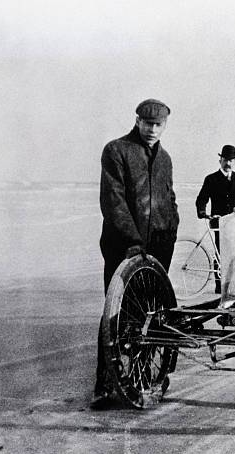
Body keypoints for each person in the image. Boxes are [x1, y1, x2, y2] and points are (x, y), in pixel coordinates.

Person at [91, 99, 180, 409]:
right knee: (114, 316)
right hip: (124, 246)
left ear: (165, 126)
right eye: (147, 123)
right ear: (138, 120)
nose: (152, 129)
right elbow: (113, 202)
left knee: (152, 315)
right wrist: (131, 239)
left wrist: (172, 230)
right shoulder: (116, 150)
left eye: (158, 125)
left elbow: (168, 196)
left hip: (159, 244)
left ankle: (148, 377)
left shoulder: (165, 158)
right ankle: (105, 386)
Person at [195, 145, 235, 293]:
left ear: (234, 162)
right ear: (220, 160)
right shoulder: (211, 179)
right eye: (225, 160)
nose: (228, 164)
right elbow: (201, 199)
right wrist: (202, 211)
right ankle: (219, 289)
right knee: (220, 255)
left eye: (231, 161)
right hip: (219, 223)